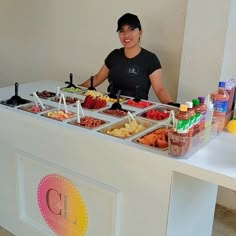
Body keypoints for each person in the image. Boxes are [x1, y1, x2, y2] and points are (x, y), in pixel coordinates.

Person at [80, 13, 173, 104]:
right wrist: (75, 90)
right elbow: (97, 78)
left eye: (131, 29)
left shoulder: (150, 59)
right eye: (122, 31)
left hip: (136, 111)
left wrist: (172, 105)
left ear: (140, 33)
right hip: (109, 108)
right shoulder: (114, 55)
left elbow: (160, 89)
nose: (126, 35)